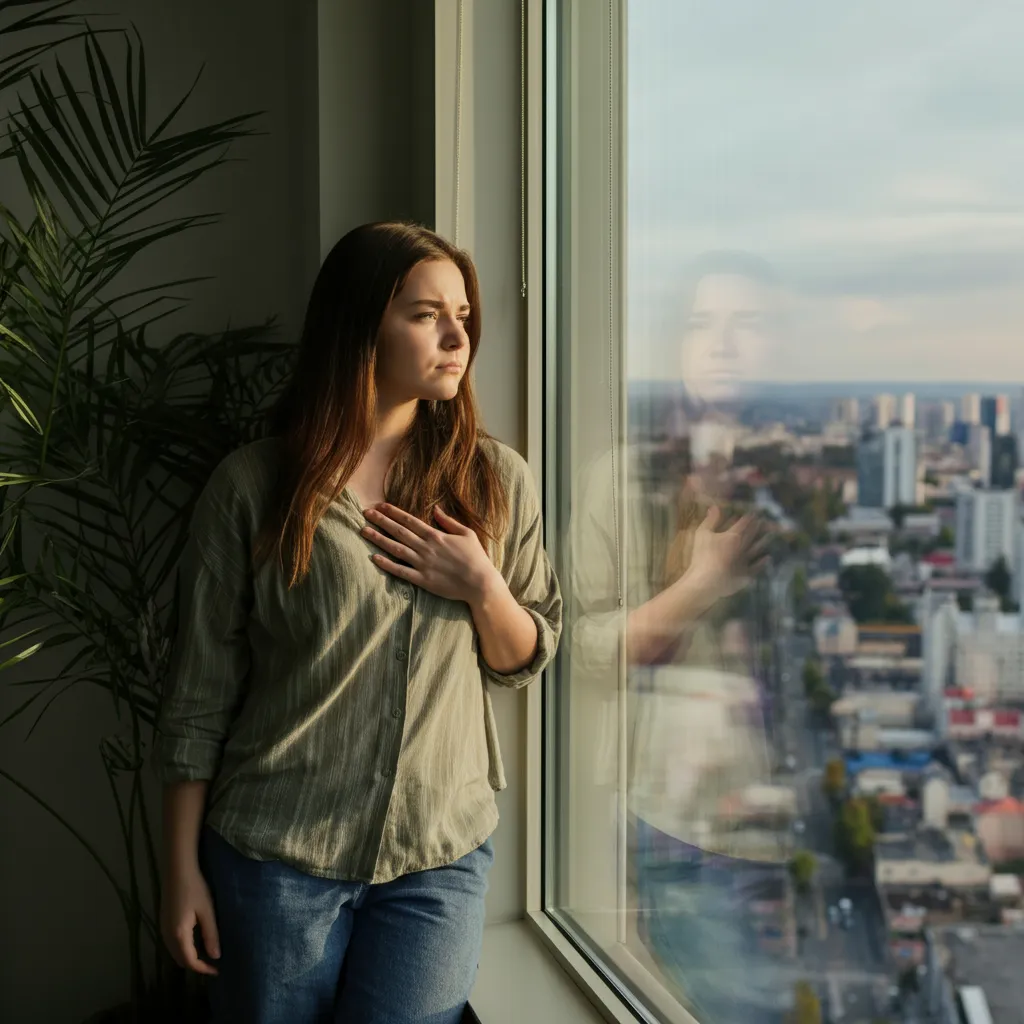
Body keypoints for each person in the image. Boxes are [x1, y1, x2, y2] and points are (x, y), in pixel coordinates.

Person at [154, 222, 563, 1024]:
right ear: (359, 326)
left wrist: (483, 584)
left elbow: (525, 656)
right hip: (277, 859)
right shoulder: (253, 489)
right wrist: (179, 872)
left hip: (438, 856)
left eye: (464, 313)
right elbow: (196, 697)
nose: (459, 336)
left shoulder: (495, 479)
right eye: (426, 314)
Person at [569, 251, 789, 1023]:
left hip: (792, 826)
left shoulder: (810, 483)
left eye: (747, 324)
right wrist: (699, 587)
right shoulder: (623, 480)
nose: (723, 343)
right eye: (702, 324)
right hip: (686, 823)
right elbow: (581, 652)